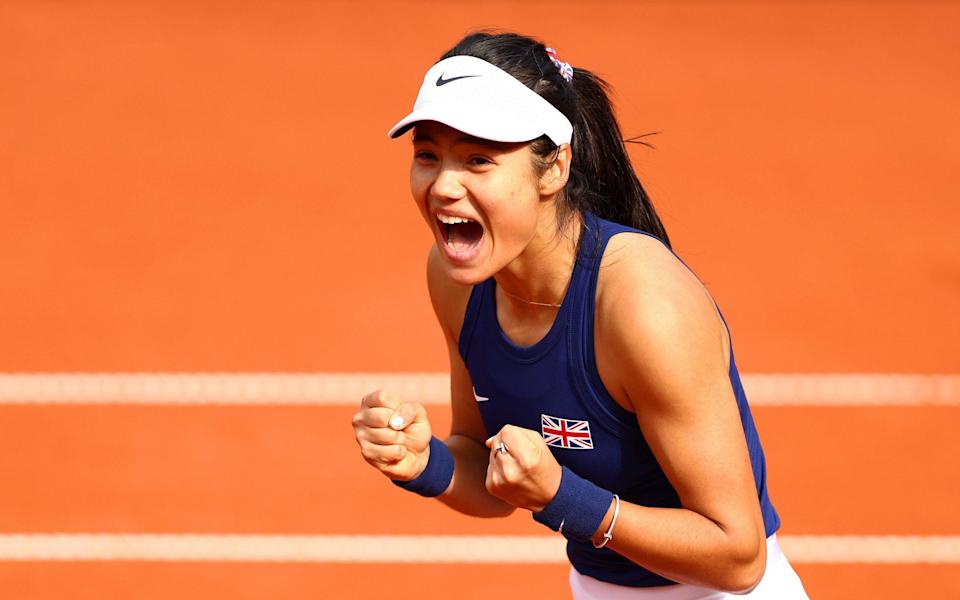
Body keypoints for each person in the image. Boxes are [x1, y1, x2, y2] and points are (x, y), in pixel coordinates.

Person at [351, 31, 809, 599]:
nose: (444, 185)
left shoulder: (643, 304)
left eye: (478, 160)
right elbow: (490, 476)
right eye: (428, 155)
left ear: (554, 168)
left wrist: (561, 496)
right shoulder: (455, 280)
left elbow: (739, 558)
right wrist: (426, 462)